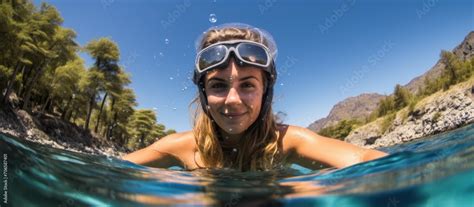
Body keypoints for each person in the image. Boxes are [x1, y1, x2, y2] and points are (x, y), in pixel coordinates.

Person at [123, 23, 387, 171]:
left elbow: (365, 159)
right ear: (203, 93)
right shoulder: (179, 147)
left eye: (247, 85)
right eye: (217, 86)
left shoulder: (287, 142)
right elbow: (117, 168)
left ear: (266, 90)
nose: (233, 99)